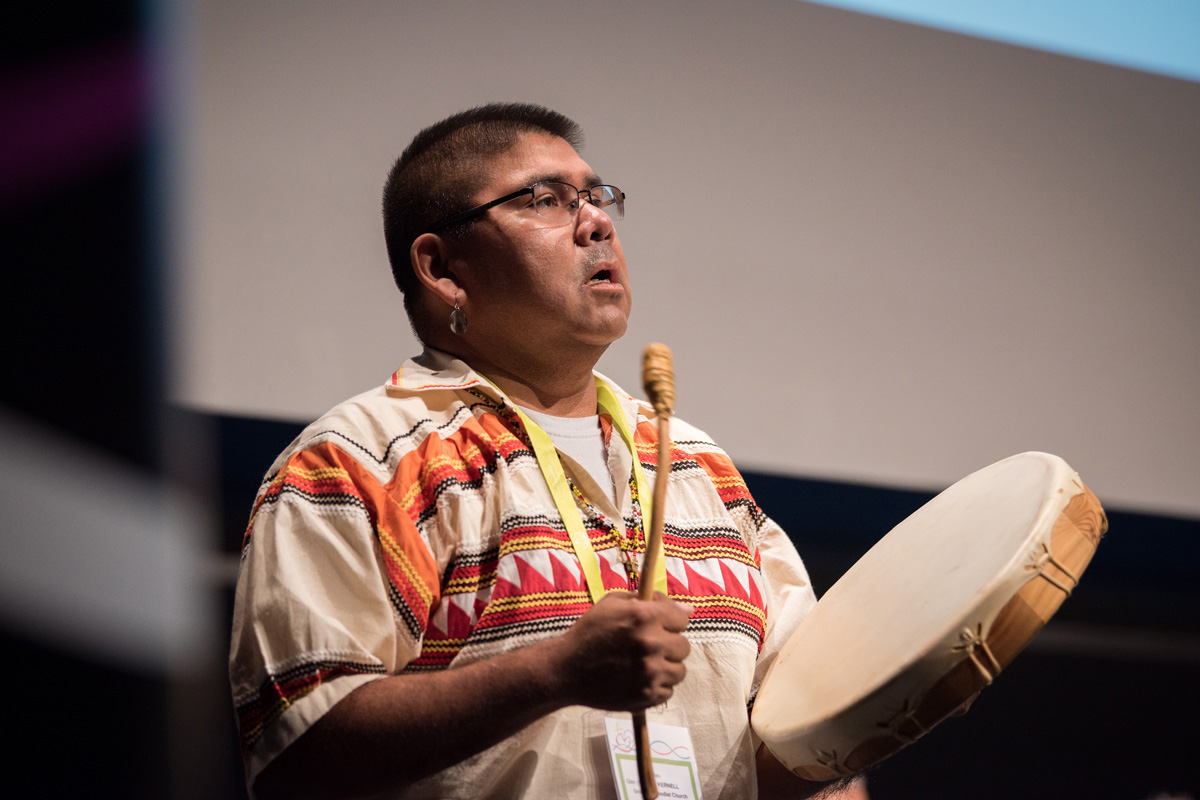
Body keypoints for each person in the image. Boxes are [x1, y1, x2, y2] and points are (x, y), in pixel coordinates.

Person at [229, 103, 847, 799]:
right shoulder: (356, 464)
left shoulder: (699, 467)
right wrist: (552, 673)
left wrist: (884, 711)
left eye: (596, 195)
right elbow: (299, 754)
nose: (596, 221)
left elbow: (802, 739)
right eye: (546, 200)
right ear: (442, 268)